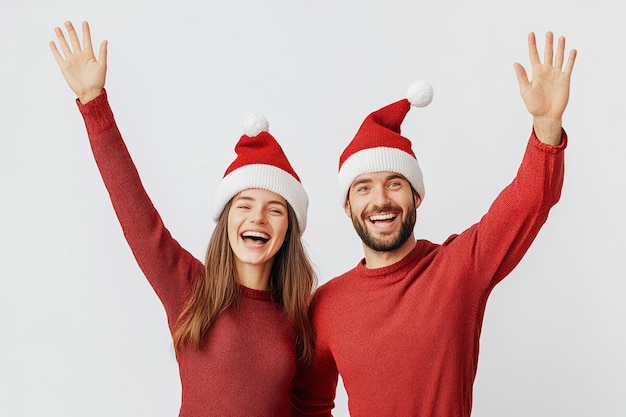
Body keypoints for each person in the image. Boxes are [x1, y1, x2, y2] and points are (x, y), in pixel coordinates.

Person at [292, 31, 577, 416]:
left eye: (395, 184)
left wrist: (546, 128)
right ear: (347, 206)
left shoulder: (458, 268)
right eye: (363, 188)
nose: (380, 200)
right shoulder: (325, 305)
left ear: (416, 197)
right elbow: (310, 405)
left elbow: (529, 201)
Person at [50, 21, 317, 416]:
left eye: (274, 209)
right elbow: (136, 214)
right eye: (244, 205)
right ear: (226, 219)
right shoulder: (191, 290)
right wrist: (94, 104)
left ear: (288, 230)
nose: (257, 217)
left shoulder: (299, 317)